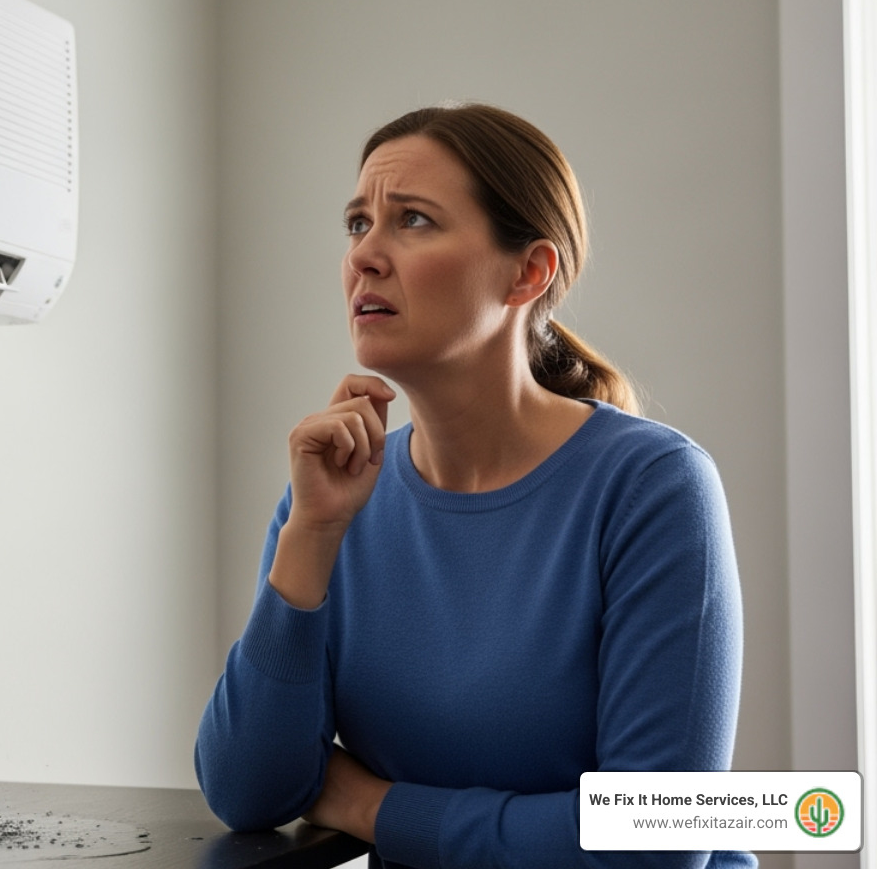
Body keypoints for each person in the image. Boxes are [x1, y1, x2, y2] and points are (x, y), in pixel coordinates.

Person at [194, 103, 753, 869]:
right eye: (358, 223)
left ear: (528, 272)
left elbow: (654, 847)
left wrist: (374, 806)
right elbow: (247, 792)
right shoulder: (330, 495)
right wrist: (311, 538)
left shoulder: (655, 488)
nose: (365, 255)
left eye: (413, 220)